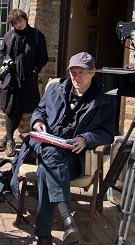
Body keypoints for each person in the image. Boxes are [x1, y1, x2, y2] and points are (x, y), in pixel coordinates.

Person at [29, 52, 116, 245]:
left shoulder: (105, 100)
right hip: (46, 144)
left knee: (45, 171)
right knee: (50, 153)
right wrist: (37, 122)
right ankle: (67, 219)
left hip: (74, 157)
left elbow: (108, 133)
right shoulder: (55, 89)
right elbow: (40, 110)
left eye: (81, 72)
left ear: (93, 73)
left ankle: (44, 236)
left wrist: (86, 139)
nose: (76, 77)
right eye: (73, 72)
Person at [0, 9, 48, 157]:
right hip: (10, 79)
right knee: (9, 109)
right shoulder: (9, 35)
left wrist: (34, 71)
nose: (18, 24)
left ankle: (7, 137)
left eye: (20, 21)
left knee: (19, 109)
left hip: (26, 79)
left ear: (25, 19)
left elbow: (43, 57)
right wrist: (4, 64)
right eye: (15, 23)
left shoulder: (37, 36)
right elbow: (1, 52)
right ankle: (10, 140)